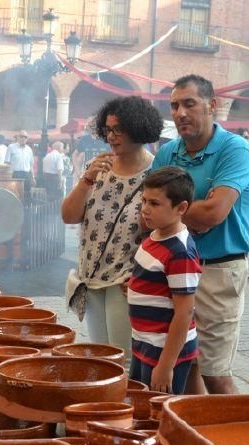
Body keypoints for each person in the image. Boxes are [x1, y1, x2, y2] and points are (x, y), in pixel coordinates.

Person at [151, 74, 249, 396]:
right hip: (173, 268)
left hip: (218, 270)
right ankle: (201, 433)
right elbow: (148, 212)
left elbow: (214, 214)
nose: (180, 113)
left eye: (189, 103)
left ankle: (238, 440)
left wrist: (173, 212)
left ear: (213, 105)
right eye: (174, 106)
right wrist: (189, 212)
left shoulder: (234, 149)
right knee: (187, 364)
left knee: (215, 372)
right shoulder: (168, 152)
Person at [61, 96, 164, 358]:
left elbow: (164, 229)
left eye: (119, 129)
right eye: (107, 129)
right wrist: (86, 179)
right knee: (100, 358)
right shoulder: (97, 167)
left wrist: (147, 275)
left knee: (124, 360)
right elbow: (69, 216)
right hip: (91, 275)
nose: (111, 136)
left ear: (138, 127)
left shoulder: (157, 172)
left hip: (127, 279)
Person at [128, 167, 202, 393]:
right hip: (144, 341)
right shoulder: (155, 235)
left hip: (163, 349)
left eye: (155, 204)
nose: (145, 210)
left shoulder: (180, 252)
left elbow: (184, 312)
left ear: (181, 208)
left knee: (156, 415)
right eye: (144, 201)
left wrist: (165, 366)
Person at [6, 130, 35, 195]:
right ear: (18, 137)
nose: (23, 138)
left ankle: (26, 205)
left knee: (27, 194)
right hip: (15, 174)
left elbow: (31, 165)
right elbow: (7, 163)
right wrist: (8, 176)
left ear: (27, 139)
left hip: (27, 175)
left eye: (25, 137)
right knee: (15, 194)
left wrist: (32, 178)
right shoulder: (11, 147)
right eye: (21, 136)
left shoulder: (29, 149)